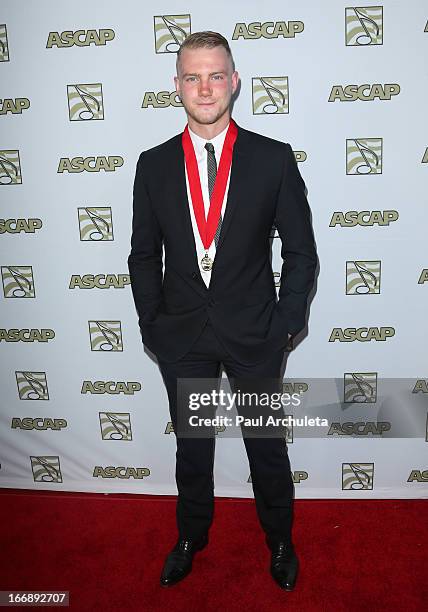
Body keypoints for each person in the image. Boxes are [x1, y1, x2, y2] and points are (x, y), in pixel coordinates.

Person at [128, 31, 317, 590]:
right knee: (192, 447)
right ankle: (191, 536)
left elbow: (301, 252)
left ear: (234, 82)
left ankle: (280, 540)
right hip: (183, 337)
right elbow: (142, 255)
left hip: (255, 332)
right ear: (176, 87)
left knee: (266, 445)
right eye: (192, 76)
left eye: (215, 75)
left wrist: (285, 325)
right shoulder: (154, 165)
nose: (204, 87)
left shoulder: (272, 159)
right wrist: (152, 324)